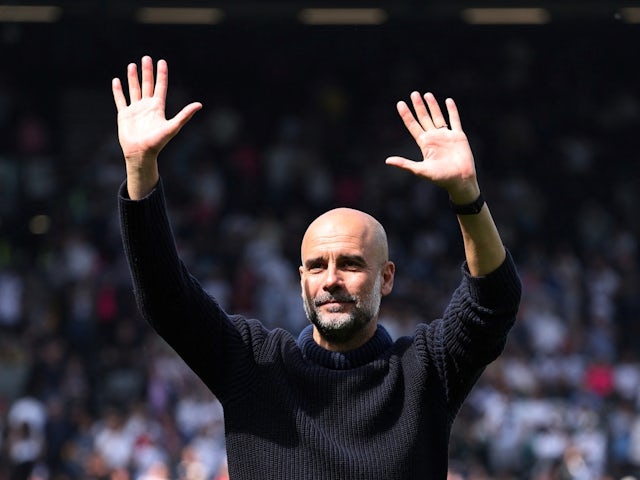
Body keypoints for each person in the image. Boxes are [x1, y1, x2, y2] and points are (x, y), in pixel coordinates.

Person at [112, 55, 521, 479]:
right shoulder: (253, 366)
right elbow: (164, 297)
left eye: (350, 264)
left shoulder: (425, 371)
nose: (331, 280)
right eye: (317, 266)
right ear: (301, 279)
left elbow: (493, 300)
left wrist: (466, 195)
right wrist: (141, 167)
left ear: (387, 277)